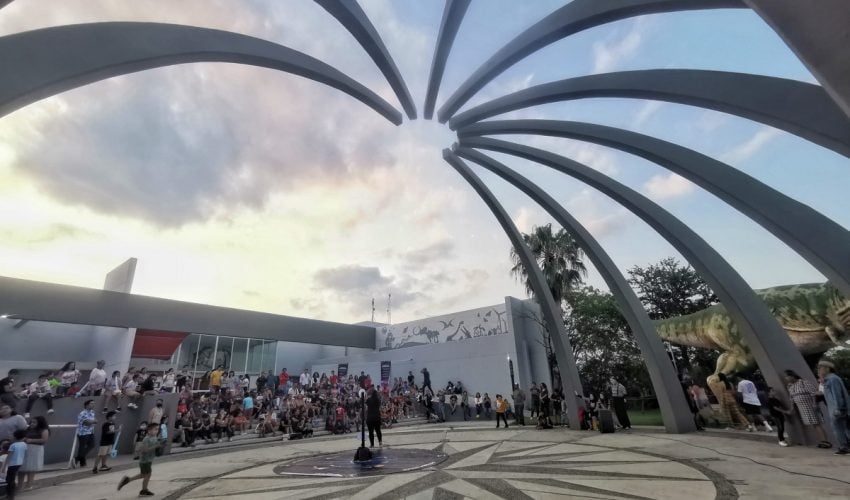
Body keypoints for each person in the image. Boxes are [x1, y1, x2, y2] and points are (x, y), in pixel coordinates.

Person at [784, 369, 832, 448]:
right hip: (802, 408)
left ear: (792, 376)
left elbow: (813, 393)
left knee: (817, 424)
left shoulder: (803, 382)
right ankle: (822, 441)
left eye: (787, 376)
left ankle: (826, 442)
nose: (786, 378)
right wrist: (792, 408)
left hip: (810, 405)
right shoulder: (790, 386)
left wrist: (814, 403)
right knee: (813, 424)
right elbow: (792, 398)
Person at [117, 423, 166, 497]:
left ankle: (128, 480)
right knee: (147, 475)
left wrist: (161, 444)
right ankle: (144, 490)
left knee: (143, 475)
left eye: (157, 429)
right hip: (144, 461)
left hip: (148, 460)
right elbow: (145, 450)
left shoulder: (154, 437)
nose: (157, 431)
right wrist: (156, 446)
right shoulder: (146, 439)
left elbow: (157, 447)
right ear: (149, 431)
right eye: (155, 429)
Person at [817, 360, 850, 455]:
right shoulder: (829, 379)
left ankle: (844, 448)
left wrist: (838, 409)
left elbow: (837, 395)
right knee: (845, 428)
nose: (818, 370)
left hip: (837, 409)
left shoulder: (832, 379)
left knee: (839, 429)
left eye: (820, 368)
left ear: (827, 369)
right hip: (837, 408)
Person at [5, 429, 26, 499]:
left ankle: (10, 494)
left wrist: (4, 466)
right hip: (19, 463)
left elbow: (9, 456)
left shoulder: (13, 445)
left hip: (12, 464)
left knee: (9, 479)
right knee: (12, 479)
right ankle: (11, 494)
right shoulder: (24, 444)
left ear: (15, 437)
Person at [75, 399, 97, 467]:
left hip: (91, 431)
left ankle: (77, 458)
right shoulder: (83, 413)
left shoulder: (92, 412)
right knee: (82, 447)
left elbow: (94, 421)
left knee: (92, 445)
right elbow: (87, 422)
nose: (93, 405)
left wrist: (93, 421)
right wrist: (93, 421)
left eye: (94, 403)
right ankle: (82, 462)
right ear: (87, 405)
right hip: (83, 432)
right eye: (92, 403)